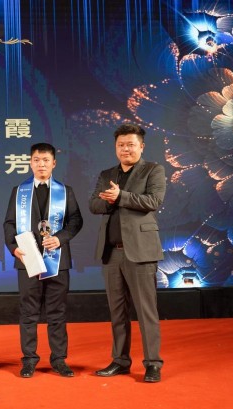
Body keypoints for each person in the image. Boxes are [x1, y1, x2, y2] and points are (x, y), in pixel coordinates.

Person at [89, 123, 165, 383]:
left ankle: (152, 363)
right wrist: (110, 201)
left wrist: (120, 196)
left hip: (141, 252)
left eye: (130, 144)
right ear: (115, 148)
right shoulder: (107, 173)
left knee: (146, 311)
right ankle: (120, 361)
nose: (125, 149)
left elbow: (153, 201)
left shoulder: (153, 170)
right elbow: (94, 204)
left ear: (141, 146)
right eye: (121, 145)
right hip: (112, 253)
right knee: (117, 312)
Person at [3, 143, 83, 378]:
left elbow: (75, 220)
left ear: (53, 163)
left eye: (46, 160)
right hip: (27, 260)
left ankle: (59, 359)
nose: (41, 164)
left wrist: (60, 238)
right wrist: (13, 248)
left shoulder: (65, 191)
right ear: (30, 163)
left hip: (58, 261)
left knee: (57, 312)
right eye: (36, 160)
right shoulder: (19, 192)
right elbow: (9, 223)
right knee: (28, 312)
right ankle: (29, 359)